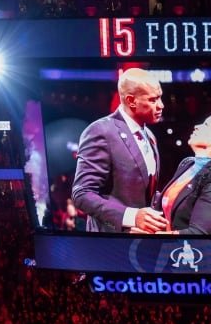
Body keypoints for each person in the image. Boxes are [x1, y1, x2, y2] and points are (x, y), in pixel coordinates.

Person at [70, 67, 168, 234]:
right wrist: (131, 217)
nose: (161, 105)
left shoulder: (149, 135)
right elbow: (82, 193)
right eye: (153, 100)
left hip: (142, 243)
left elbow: (144, 192)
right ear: (131, 101)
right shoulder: (101, 131)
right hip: (110, 244)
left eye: (160, 98)